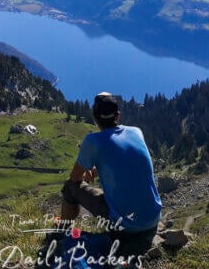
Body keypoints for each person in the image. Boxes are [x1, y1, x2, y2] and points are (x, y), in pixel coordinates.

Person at [59, 92, 162, 253]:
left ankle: (62, 233)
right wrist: (100, 167)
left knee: (70, 187)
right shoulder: (136, 132)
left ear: (94, 117)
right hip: (153, 219)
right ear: (118, 116)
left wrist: (91, 166)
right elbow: (126, 161)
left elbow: (75, 178)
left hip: (125, 225)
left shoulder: (92, 141)